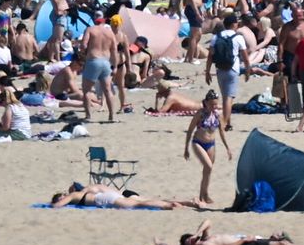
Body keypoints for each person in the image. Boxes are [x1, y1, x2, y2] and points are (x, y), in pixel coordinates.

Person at [151, 219, 304, 245]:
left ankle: (278, 240)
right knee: (281, 244)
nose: (191, 239)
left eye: (189, 237)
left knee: (277, 238)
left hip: (249, 239)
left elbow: (208, 220)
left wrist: (197, 233)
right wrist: (245, 240)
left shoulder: (204, 238)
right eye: (188, 242)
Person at [183, 90, 233, 204]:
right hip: (198, 143)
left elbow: (221, 132)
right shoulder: (200, 114)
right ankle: (204, 194)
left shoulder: (217, 115)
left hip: (211, 144)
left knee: (207, 171)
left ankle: (203, 195)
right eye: (211, 104)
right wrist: (186, 148)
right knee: (208, 166)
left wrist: (227, 148)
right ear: (206, 102)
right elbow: (190, 130)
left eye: (215, 104)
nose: (214, 106)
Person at [50, 182, 200, 211]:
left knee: (138, 205)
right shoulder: (91, 187)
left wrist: (52, 204)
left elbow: (57, 205)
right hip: (115, 193)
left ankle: (169, 206)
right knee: (144, 200)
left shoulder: (75, 195)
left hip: (106, 199)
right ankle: (186, 202)